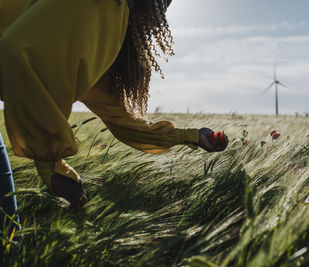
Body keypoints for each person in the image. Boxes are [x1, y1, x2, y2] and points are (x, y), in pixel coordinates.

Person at [0, 0, 228, 208]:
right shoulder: (104, 8)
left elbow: (119, 117)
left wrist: (190, 135)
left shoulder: (106, 27)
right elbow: (14, 51)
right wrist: (50, 163)